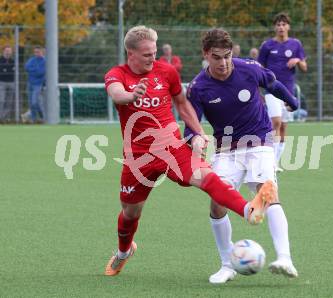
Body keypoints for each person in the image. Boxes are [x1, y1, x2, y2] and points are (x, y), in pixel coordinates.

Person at [103, 26, 276, 276]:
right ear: (130, 53)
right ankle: (123, 252)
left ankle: (248, 210)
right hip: (137, 156)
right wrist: (131, 95)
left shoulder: (166, 71)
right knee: (130, 213)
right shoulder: (117, 74)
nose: (154, 58)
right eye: (147, 54)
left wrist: (198, 132)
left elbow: (183, 106)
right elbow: (116, 94)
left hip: (171, 147)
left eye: (154, 52)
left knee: (207, 177)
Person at [184, 28, 299, 284]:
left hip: (259, 141)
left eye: (227, 56)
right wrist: (196, 139)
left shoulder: (249, 68)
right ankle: (227, 265)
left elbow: (273, 84)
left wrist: (292, 101)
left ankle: (285, 258)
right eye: (216, 57)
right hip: (226, 150)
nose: (223, 63)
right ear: (205, 55)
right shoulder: (198, 88)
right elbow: (190, 125)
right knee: (217, 202)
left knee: (266, 190)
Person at [258, 12, 307, 171]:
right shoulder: (267, 46)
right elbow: (259, 68)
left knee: (284, 127)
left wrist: (298, 61)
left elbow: (305, 67)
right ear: (275, 27)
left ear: (288, 26)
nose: (281, 27)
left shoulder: (296, 44)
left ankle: (275, 163)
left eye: (283, 24)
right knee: (276, 122)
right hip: (272, 90)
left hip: (288, 91)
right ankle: (269, 161)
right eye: (278, 24)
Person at [24, 46, 46, 123]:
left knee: (35, 102)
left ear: (42, 52)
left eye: (38, 52)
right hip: (30, 83)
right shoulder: (32, 59)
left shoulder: (45, 61)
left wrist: (32, 70)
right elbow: (26, 67)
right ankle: (34, 119)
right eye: (35, 52)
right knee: (31, 103)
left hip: (38, 84)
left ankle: (43, 116)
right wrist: (35, 70)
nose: (36, 54)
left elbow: (41, 72)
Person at [0, 45, 15, 121]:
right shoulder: (0, 60)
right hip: (1, 83)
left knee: (9, 102)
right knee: (1, 100)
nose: (8, 52)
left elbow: (12, 71)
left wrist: (5, 70)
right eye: (6, 51)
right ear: (3, 51)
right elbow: (3, 71)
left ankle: (4, 118)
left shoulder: (13, 61)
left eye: (9, 51)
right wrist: (7, 70)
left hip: (12, 83)